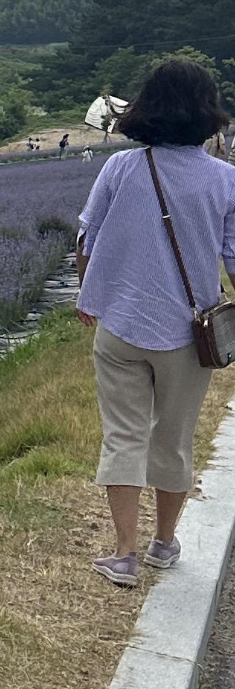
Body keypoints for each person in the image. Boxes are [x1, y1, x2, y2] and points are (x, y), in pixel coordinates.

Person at [76, 57, 235, 588]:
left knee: (122, 436)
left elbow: (86, 239)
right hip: (190, 335)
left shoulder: (121, 168)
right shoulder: (225, 180)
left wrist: (89, 294)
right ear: (207, 114)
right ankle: (164, 543)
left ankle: (123, 554)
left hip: (120, 324)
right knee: (173, 438)